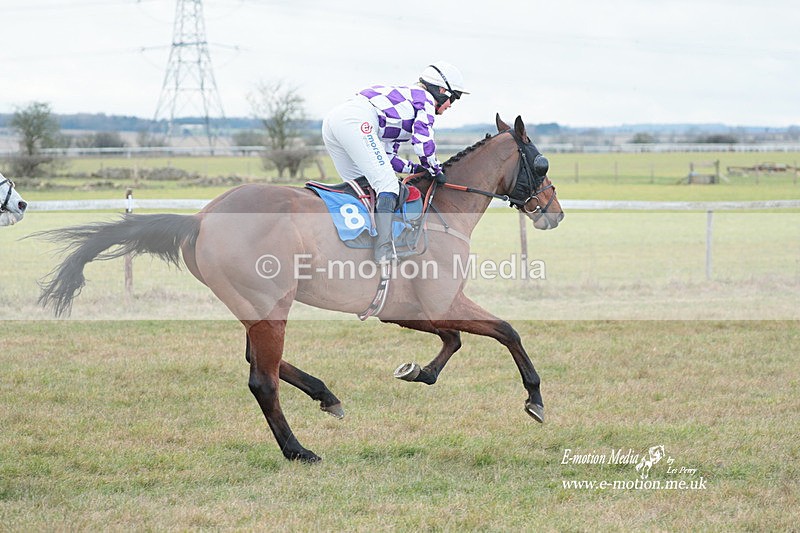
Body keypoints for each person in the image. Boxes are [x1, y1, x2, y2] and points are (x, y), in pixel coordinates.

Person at [322, 61, 468, 263]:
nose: (451, 105)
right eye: (454, 98)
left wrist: (416, 168)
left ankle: (355, 243)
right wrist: (435, 168)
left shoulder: (405, 103)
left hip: (335, 121)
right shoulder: (424, 99)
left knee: (362, 186)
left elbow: (389, 159)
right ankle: (384, 250)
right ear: (442, 90)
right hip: (356, 121)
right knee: (388, 185)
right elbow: (423, 141)